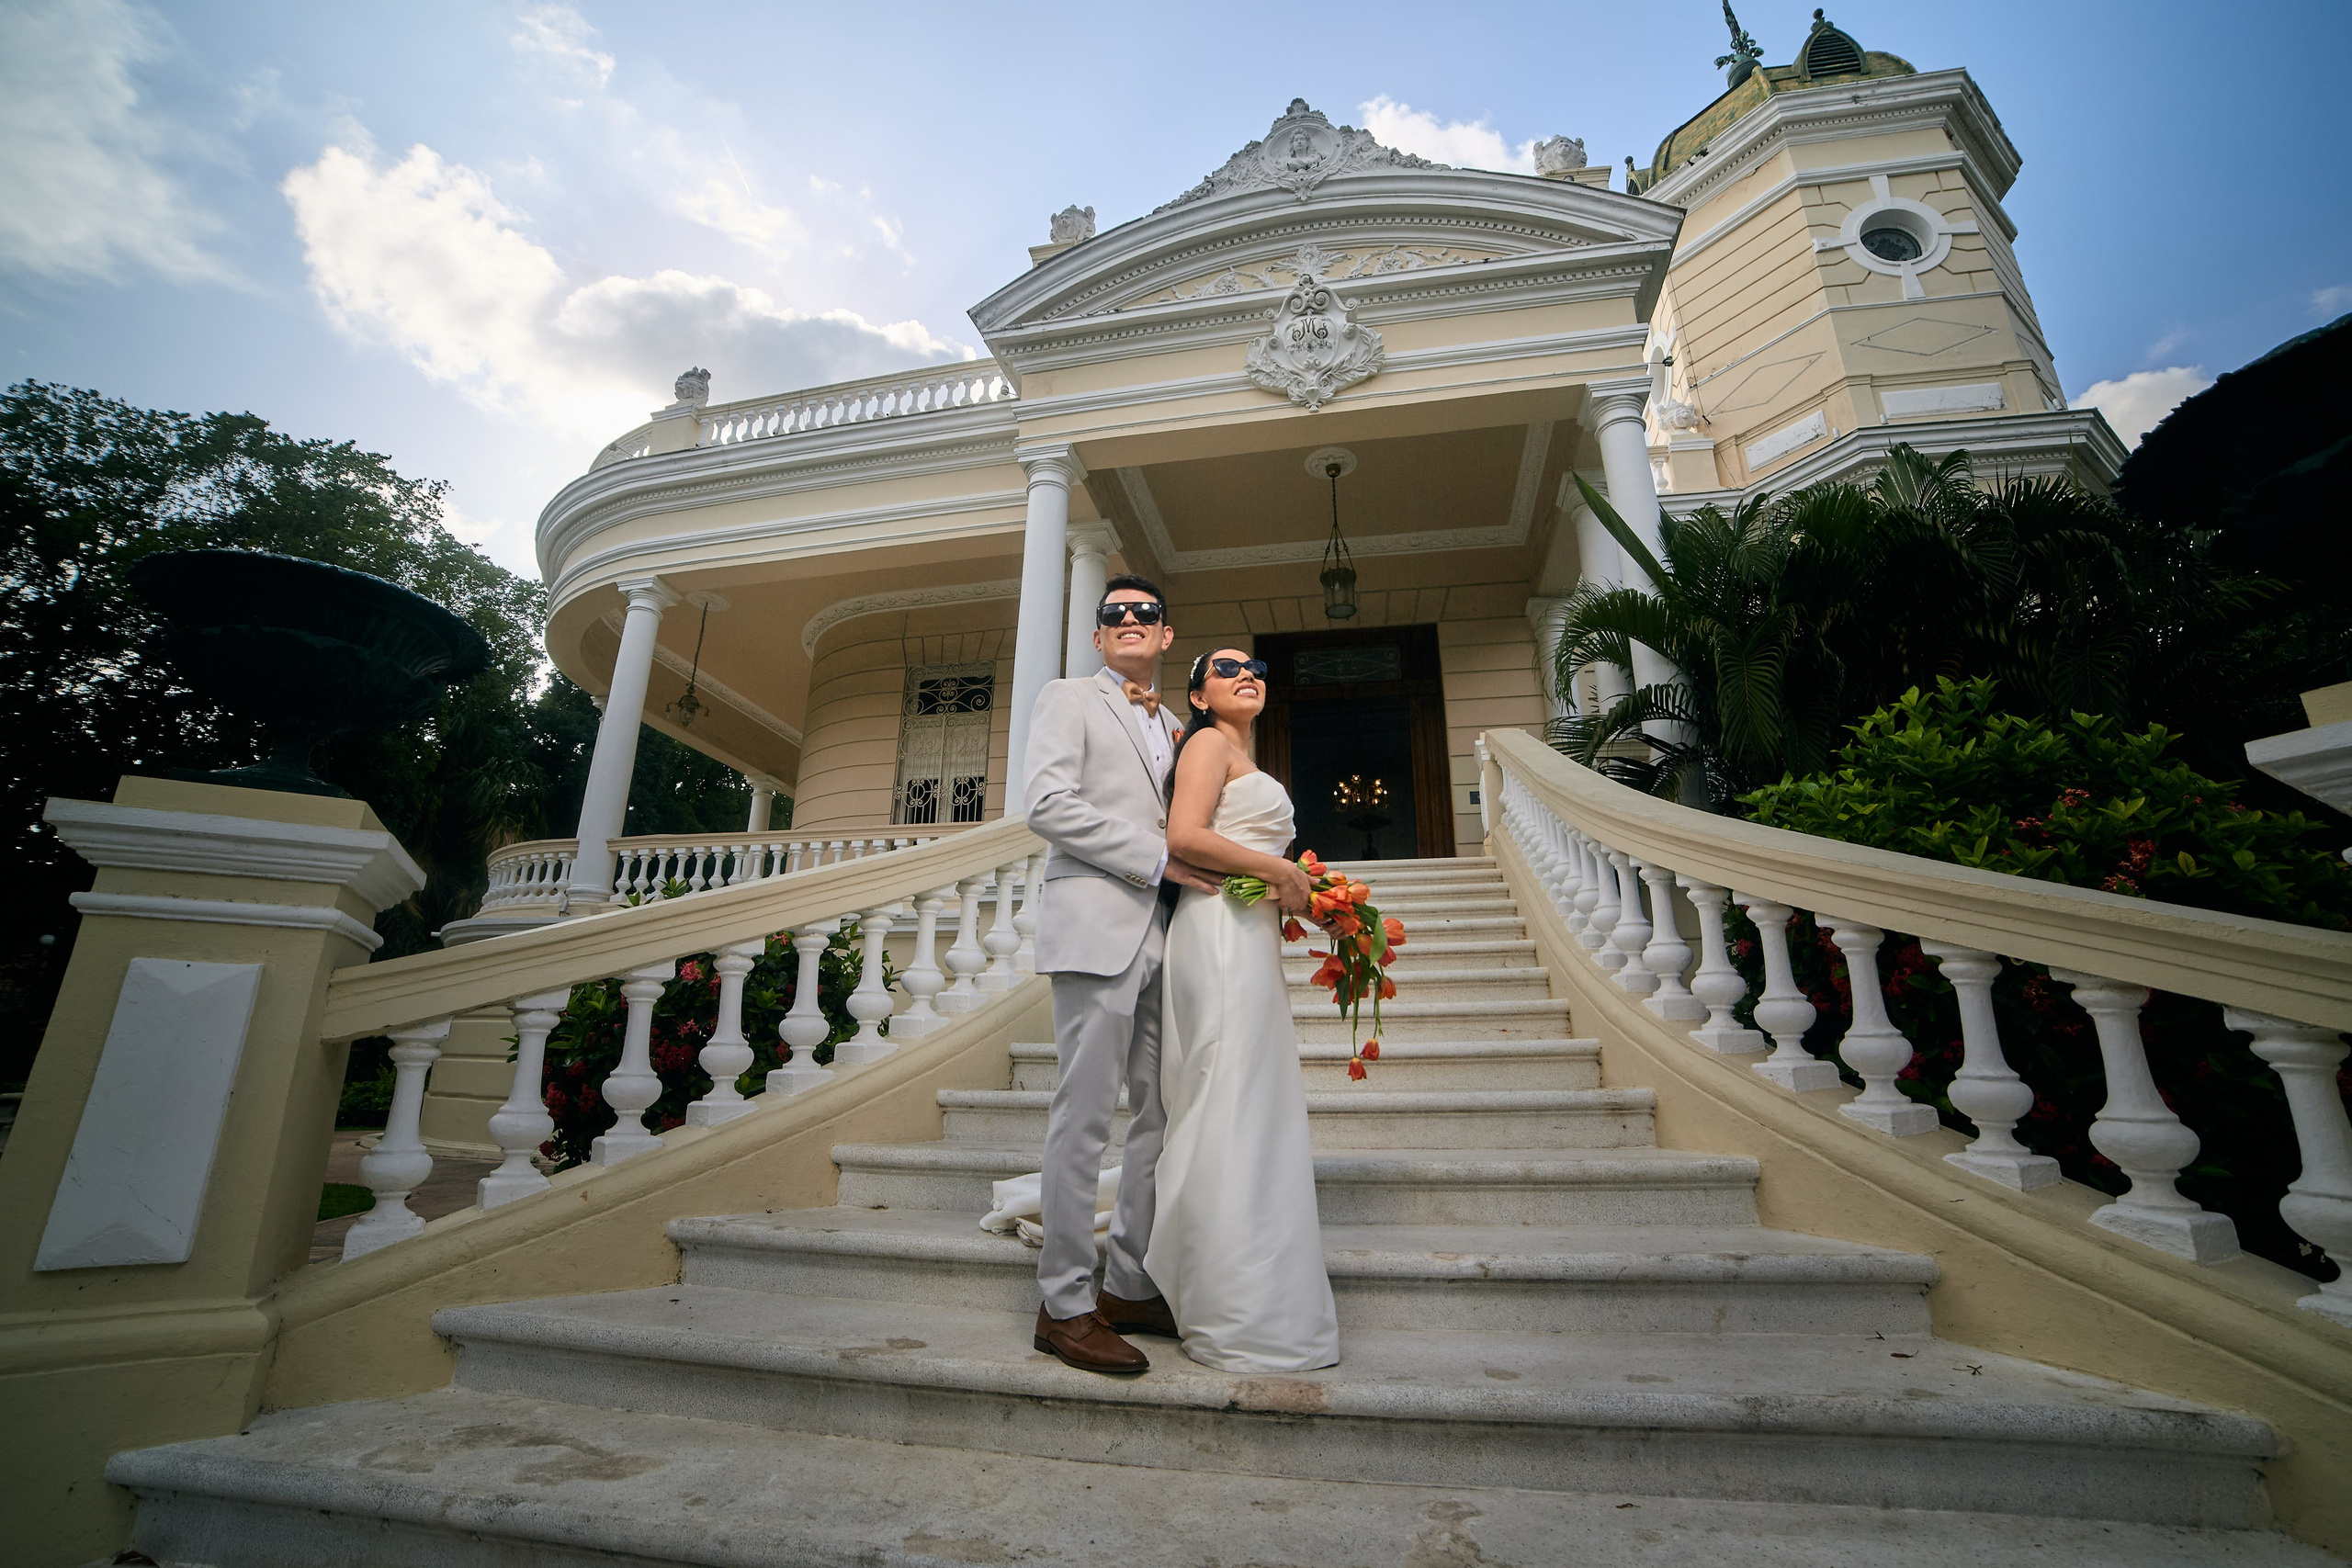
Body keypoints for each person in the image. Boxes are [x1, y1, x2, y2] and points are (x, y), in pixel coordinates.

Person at [1021, 576, 1222, 1373]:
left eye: (1145, 613)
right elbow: (1046, 802)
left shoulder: (1180, 726)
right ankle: (1064, 1303)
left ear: (1166, 636)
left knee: (1160, 1115)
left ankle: (1128, 1282)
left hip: (1167, 936)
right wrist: (1154, 857)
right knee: (1086, 1114)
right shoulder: (1067, 698)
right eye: (1115, 615)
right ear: (1100, 636)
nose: (1130, 621)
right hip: (1095, 925)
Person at [1146, 648, 1340, 1372]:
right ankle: (1229, 1294)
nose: (1246, 673)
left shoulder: (1239, 754)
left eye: (1256, 665)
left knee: (1254, 1096)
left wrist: (1310, 898)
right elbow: (1185, 837)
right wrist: (1279, 868)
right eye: (1225, 668)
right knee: (1227, 1090)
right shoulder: (1204, 743)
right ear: (1198, 694)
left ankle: (1258, 1275)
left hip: (1249, 932)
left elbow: (1247, 855)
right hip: (1217, 932)